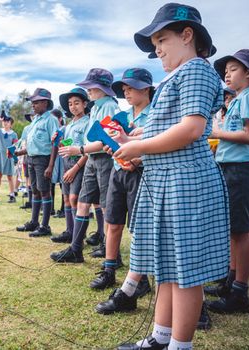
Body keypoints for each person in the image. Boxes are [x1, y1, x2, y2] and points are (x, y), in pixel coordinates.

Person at [114, 4, 228, 349]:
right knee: (166, 266)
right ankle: (160, 339)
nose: (157, 49)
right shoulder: (174, 78)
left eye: (162, 39)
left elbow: (192, 129)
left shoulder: (195, 70)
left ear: (187, 35)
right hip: (165, 180)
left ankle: (180, 345)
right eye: (155, 43)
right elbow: (159, 129)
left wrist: (139, 149)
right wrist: (130, 142)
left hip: (185, 182)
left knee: (186, 273)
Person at [208, 48, 249, 315]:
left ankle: (240, 293)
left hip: (242, 169)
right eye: (226, 70)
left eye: (233, 69)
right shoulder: (236, 100)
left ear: (248, 73)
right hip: (229, 167)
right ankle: (230, 281)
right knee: (232, 229)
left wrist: (218, 132)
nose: (227, 74)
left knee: (241, 230)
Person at [90, 68, 154, 296]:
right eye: (124, 89)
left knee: (138, 227)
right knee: (113, 222)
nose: (126, 93)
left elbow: (158, 145)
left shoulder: (155, 115)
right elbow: (111, 142)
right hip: (118, 171)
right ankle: (109, 270)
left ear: (146, 88)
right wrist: (109, 147)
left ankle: (142, 278)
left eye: (131, 88)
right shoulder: (123, 117)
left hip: (141, 173)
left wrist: (140, 156)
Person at [51, 68, 120, 263]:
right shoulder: (97, 106)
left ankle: (110, 250)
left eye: (91, 87)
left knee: (106, 207)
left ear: (102, 88)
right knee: (82, 201)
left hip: (104, 160)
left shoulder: (108, 106)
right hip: (92, 159)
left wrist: (80, 150)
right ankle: (75, 249)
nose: (88, 90)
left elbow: (109, 139)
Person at [15, 88, 59, 237]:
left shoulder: (51, 120)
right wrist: (20, 152)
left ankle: (45, 226)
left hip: (43, 160)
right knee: (34, 191)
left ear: (45, 103)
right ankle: (34, 222)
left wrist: (51, 165)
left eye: (36, 102)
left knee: (44, 191)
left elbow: (55, 143)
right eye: (32, 103)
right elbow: (32, 145)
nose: (33, 105)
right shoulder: (35, 121)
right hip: (31, 159)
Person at [50, 88, 90, 243]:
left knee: (75, 198)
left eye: (77, 103)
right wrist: (58, 141)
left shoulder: (87, 123)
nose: (73, 107)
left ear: (85, 104)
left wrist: (75, 169)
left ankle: (78, 236)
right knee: (66, 198)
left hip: (78, 165)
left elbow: (87, 150)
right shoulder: (68, 126)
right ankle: (70, 230)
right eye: (70, 104)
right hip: (66, 163)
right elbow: (66, 145)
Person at [0, 112, 18, 203]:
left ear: (11, 124)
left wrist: (15, 158)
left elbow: (15, 145)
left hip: (9, 156)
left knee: (9, 176)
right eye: (4, 121)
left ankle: (12, 195)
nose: (5, 123)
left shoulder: (14, 134)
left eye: (7, 121)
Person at [50, 109, 66, 218]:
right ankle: (50, 209)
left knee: (62, 184)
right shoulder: (52, 129)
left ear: (60, 119)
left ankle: (63, 209)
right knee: (50, 184)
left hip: (62, 158)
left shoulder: (64, 129)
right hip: (53, 158)